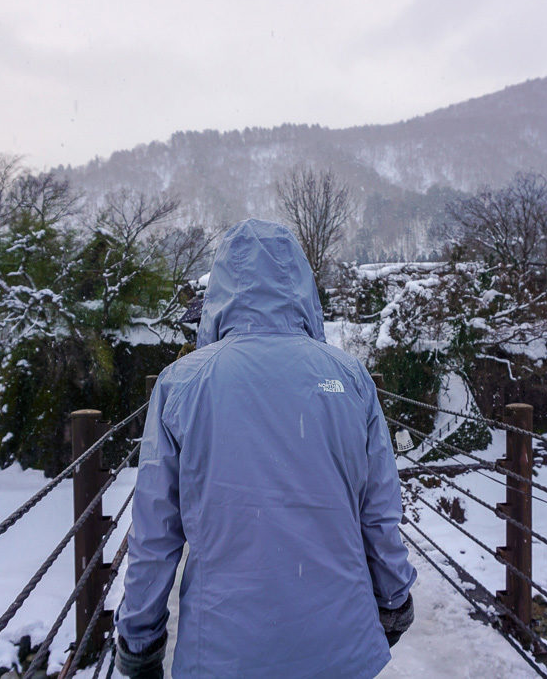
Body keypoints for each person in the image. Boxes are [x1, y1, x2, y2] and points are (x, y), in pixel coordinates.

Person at [114, 218, 417, 678]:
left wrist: (140, 639)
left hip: (223, 650)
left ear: (220, 294)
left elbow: (155, 535)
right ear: (302, 287)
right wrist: (394, 598)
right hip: (341, 644)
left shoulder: (182, 384)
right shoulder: (350, 377)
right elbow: (378, 511)